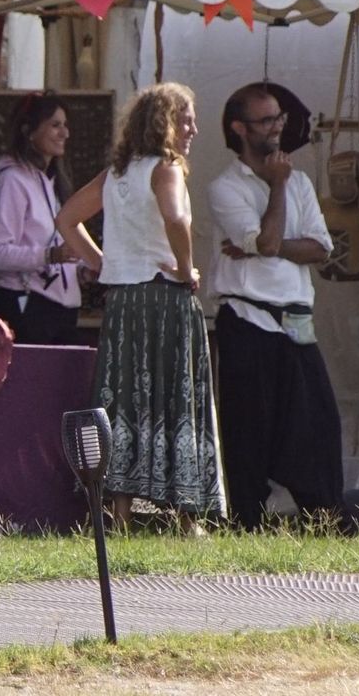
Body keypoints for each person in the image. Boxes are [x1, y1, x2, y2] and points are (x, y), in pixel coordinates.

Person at [55, 83, 225, 531]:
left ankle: (121, 513)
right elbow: (176, 218)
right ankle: (187, 518)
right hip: (164, 296)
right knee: (175, 397)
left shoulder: (116, 174)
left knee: (124, 398)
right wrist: (186, 268)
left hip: (124, 301)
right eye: (185, 120)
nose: (193, 129)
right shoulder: (166, 169)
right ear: (165, 123)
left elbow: (67, 219)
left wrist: (103, 263)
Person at [209, 83, 344, 530]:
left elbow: (320, 248)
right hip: (248, 317)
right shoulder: (226, 187)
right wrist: (278, 186)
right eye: (266, 120)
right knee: (250, 427)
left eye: (279, 119)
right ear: (240, 128)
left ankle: (323, 517)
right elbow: (265, 241)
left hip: (296, 318)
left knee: (317, 420)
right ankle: (247, 520)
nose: (276, 127)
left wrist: (269, 245)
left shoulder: (301, 181)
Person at [0, 91, 86, 345]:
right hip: (27, 307)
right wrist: (50, 256)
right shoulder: (11, 181)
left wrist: (82, 271)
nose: (65, 133)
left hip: (61, 312)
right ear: (29, 131)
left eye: (65, 125)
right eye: (55, 125)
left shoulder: (52, 185)